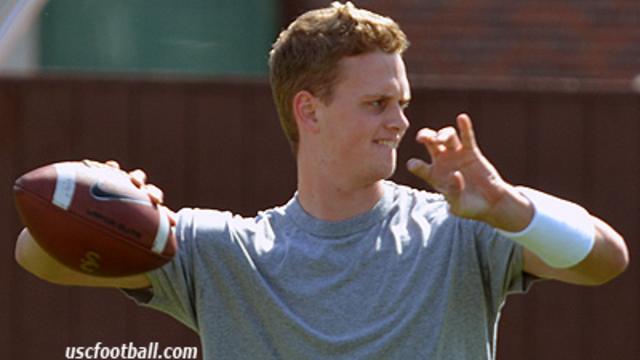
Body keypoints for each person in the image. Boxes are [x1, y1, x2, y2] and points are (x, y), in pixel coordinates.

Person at [15, 2, 629, 359]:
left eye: (402, 101)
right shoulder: (221, 253)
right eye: (377, 104)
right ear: (309, 110)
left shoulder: (460, 232)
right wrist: (103, 197)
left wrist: (507, 205)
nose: (401, 122)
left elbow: (605, 259)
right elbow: (37, 256)